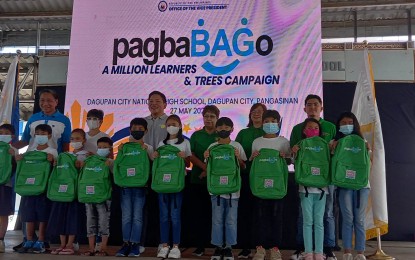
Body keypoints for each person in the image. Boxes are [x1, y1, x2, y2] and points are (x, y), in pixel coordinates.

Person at [13, 89, 71, 252]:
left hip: (50, 167)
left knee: (44, 204)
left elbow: (65, 146)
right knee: (28, 205)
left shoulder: (64, 120)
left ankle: (43, 239)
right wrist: (8, 147)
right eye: (42, 100)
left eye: (49, 100)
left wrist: (61, 165)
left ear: (56, 102)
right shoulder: (33, 118)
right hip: (30, 167)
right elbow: (25, 141)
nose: (45, 103)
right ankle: (27, 239)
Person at [290, 94, 337, 260]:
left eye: (315, 104)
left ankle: (327, 248)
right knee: (304, 217)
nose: (312, 107)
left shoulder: (331, 127)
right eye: (309, 105)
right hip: (305, 181)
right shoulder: (297, 128)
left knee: (327, 214)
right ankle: (304, 248)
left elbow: (335, 153)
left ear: (321, 107)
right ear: (304, 108)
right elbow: (293, 154)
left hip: (325, 181)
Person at [204, 117, 247, 260]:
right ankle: (217, 247)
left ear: (232, 129)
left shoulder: (237, 146)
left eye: (227, 127)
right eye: (220, 127)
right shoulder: (211, 147)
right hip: (215, 190)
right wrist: (206, 156)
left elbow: (243, 166)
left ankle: (228, 247)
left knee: (231, 220)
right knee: (216, 219)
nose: (223, 129)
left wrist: (238, 158)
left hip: (233, 191)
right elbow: (209, 168)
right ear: (216, 129)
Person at [249, 110, 290, 260]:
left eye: (273, 121)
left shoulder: (283, 141)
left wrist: (284, 157)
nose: (270, 124)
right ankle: (260, 249)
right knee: (260, 218)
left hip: (277, 186)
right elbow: (253, 162)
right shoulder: (257, 142)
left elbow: (289, 161)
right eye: (267, 121)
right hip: (260, 185)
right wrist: (252, 157)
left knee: (277, 218)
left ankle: (275, 249)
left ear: (278, 123)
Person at [331, 112, 371, 260]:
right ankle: (347, 251)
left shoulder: (362, 141)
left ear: (355, 124)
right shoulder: (334, 142)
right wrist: (332, 149)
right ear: (338, 126)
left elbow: (370, 162)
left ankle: (360, 252)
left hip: (362, 185)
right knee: (347, 218)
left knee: (359, 219)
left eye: (350, 122)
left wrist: (368, 149)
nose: (347, 125)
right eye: (343, 123)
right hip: (344, 185)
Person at [153, 114, 191, 259]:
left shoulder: (185, 143)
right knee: (163, 216)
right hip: (162, 184)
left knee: (175, 216)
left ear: (180, 126)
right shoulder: (162, 144)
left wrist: (184, 158)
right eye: (168, 124)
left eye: (174, 124)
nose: (171, 127)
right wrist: (155, 156)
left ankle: (175, 246)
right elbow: (157, 164)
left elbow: (188, 164)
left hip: (178, 184)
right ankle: (164, 245)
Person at [16, 124, 58, 253]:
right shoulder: (29, 152)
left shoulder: (52, 151)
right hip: (28, 189)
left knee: (42, 216)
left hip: (43, 189)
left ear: (49, 135)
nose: (40, 136)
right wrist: (19, 159)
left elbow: (57, 167)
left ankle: (41, 241)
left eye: (43, 133)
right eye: (37, 133)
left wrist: (53, 161)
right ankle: (29, 240)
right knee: (28, 215)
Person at [115, 118, 154, 257]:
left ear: (146, 131)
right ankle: (125, 243)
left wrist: (149, 153)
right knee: (126, 217)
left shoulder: (148, 147)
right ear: (130, 130)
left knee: (137, 217)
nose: (137, 131)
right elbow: (117, 165)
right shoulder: (123, 147)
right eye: (134, 128)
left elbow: (155, 163)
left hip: (141, 187)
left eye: (140, 129)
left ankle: (135, 244)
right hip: (125, 187)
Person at [292, 118, 329, 260]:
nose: (313, 130)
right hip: (305, 189)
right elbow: (295, 163)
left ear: (319, 130)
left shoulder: (324, 145)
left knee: (319, 222)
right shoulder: (300, 144)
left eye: (315, 127)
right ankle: (308, 252)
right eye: (309, 127)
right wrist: (294, 152)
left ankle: (319, 252)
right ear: (304, 130)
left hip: (321, 189)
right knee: (308, 221)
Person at [48, 129, 89, 255]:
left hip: (76, 192)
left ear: (84, 140)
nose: (74, 141)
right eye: (72, 139)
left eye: (78, 138)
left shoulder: (87, 155)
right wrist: (55, 163)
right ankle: (62, 244)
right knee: (61, 217)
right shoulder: (65, 156)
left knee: (72, 218)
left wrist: (82, 166)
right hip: (62, 192)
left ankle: (71, 244)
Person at [235, 103, 266, 259]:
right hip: (246, 177)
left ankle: (261, 248)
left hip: (263, 179)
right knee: (245, 213)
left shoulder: (268, 134)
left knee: (261, 214)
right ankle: (245, 247)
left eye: (259, 112)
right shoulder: (243, 133)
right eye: (253, 111)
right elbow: (237, 154)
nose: (256, 114)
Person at [188, 105, 219, 257]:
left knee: (215, 216)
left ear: (217, 119)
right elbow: (191, 155)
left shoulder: (221, 135)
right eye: (206, 116)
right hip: (198, 180)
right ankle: (200, 246)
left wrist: (210, 171)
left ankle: (216, 246)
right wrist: (205, 168)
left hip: (217, 183)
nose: (209, 119)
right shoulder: (196, 135)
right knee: (199, 215)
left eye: (212, 116)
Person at [82, 137, 113, 256]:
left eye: (104, 147)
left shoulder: (111, 162)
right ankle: (91, 248)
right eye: (99, 147)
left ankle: (103, 248)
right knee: (90, 220)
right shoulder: (90, 160)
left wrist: (109, 164)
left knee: (104, 221)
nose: (101, 149)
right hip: (89, 195)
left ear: (110, 149)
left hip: (104, 197)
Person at [0, 124, 18, 253]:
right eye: (1, 132)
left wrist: (13, 156)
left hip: (5, 185)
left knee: (3, 213)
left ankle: (1, 240)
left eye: (6, 132)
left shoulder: (13, 150)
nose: (3, 134)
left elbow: (17, 168)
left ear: (12, 136)